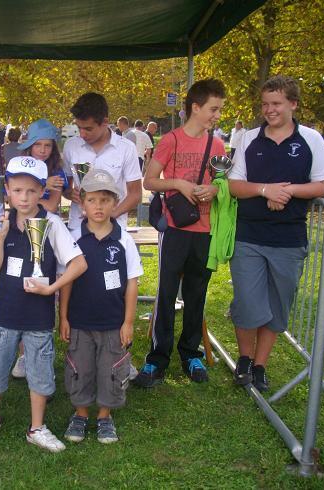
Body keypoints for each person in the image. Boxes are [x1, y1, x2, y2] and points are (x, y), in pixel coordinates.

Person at [0, 156, 87, 453]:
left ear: (42, 190)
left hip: (38, 317)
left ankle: (37, 427)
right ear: (7, 190)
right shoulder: (0, 222)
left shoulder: (52, 223)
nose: (24, 197)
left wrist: (52, 289)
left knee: (40, 371)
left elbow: (78, 264)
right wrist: (1, 235)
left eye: (31, 191)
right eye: (17, 190)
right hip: (5, 313)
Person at [228, 75, 324, 392]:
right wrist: (264, 189)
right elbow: (234, 185)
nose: (269, 110)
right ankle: (244, 359)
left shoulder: (311, 139)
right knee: (246, 302)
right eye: (265, 104)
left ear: (293, 104)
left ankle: (260, 365)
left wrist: (286, 192)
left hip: (289, 238)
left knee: (276, 305)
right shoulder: (248, 138)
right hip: (249, 236)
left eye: (276, 104)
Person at [135, 79, 227, 387]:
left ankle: (191, 354)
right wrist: (179, 184)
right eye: (214, 109)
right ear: (196, 107)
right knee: (166, 292)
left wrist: (214, 189)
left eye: (220, 110)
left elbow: (222, 182)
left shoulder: (216, 144)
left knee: (197, 293)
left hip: (205, 229)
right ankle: (157, 359)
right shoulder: (171, 140)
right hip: (175, 229)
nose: (217, 115)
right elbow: (149, 181)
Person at [60, 168, 142, 444]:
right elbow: (67, 282)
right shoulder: (72, 237)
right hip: (80, 321)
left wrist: (128, 322)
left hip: (113, 322)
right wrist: (64, 317)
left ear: (114, 203)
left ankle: (105, 416)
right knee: (79, 368)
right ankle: (81, 414)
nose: (98, 206)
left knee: (111, 369)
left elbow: (132, 282)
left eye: (105, 200)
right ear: (82, 202)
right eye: (92, 200)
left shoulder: (123, 240)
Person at [10, 118, 68, 379]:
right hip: (21, 234)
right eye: (38, 145)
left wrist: (46, 194)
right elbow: (13, 201)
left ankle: (43, 349)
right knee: (22, 290)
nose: (43, 150)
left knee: (45, 292)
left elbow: (52, 207)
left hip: (46, 234)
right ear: (29, 147)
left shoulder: (58, 173)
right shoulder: (19, 170)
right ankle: (23, 355)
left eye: (48, 145)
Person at [63, 93, 142, 232]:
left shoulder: (126, 148)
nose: (82, 134)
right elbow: (65, 187)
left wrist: (112, 215)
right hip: (78, 228)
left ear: (105, 122)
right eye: (78, 127)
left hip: (113, 229)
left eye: (88, 129)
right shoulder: (71, 146)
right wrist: (70, 193)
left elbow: (135, 194)